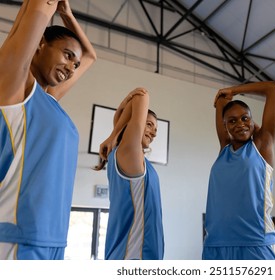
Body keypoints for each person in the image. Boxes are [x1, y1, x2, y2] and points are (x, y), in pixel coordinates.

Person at [0, 0, 96, 260]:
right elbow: (37, 9)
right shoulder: (16, 89)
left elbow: (90, 56)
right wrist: (51, 9)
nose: (71, 68)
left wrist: (67, 14)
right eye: (67, 55)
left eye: (74, 65)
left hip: (54, 240)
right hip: (15, 238)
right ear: (40, 43)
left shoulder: (49, 100)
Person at [202, 81, 275, 260]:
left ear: (252, 120)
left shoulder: (263, 145)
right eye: (232, 121)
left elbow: (273, 88)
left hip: (256, 244)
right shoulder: (224, 148)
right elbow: (221, 100)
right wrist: (224, 97)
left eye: (245, 118)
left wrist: (235, 90)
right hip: (216, 246)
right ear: (225, 127)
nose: (240, 123)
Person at [94, 87, 164, 260]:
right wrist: (112, 135)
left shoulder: (129, 156)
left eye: (156, 128)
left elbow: (121, 116)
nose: (154, 132)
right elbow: (142, 95)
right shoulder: (129, 153)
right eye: (149, 124)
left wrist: (115, 131)